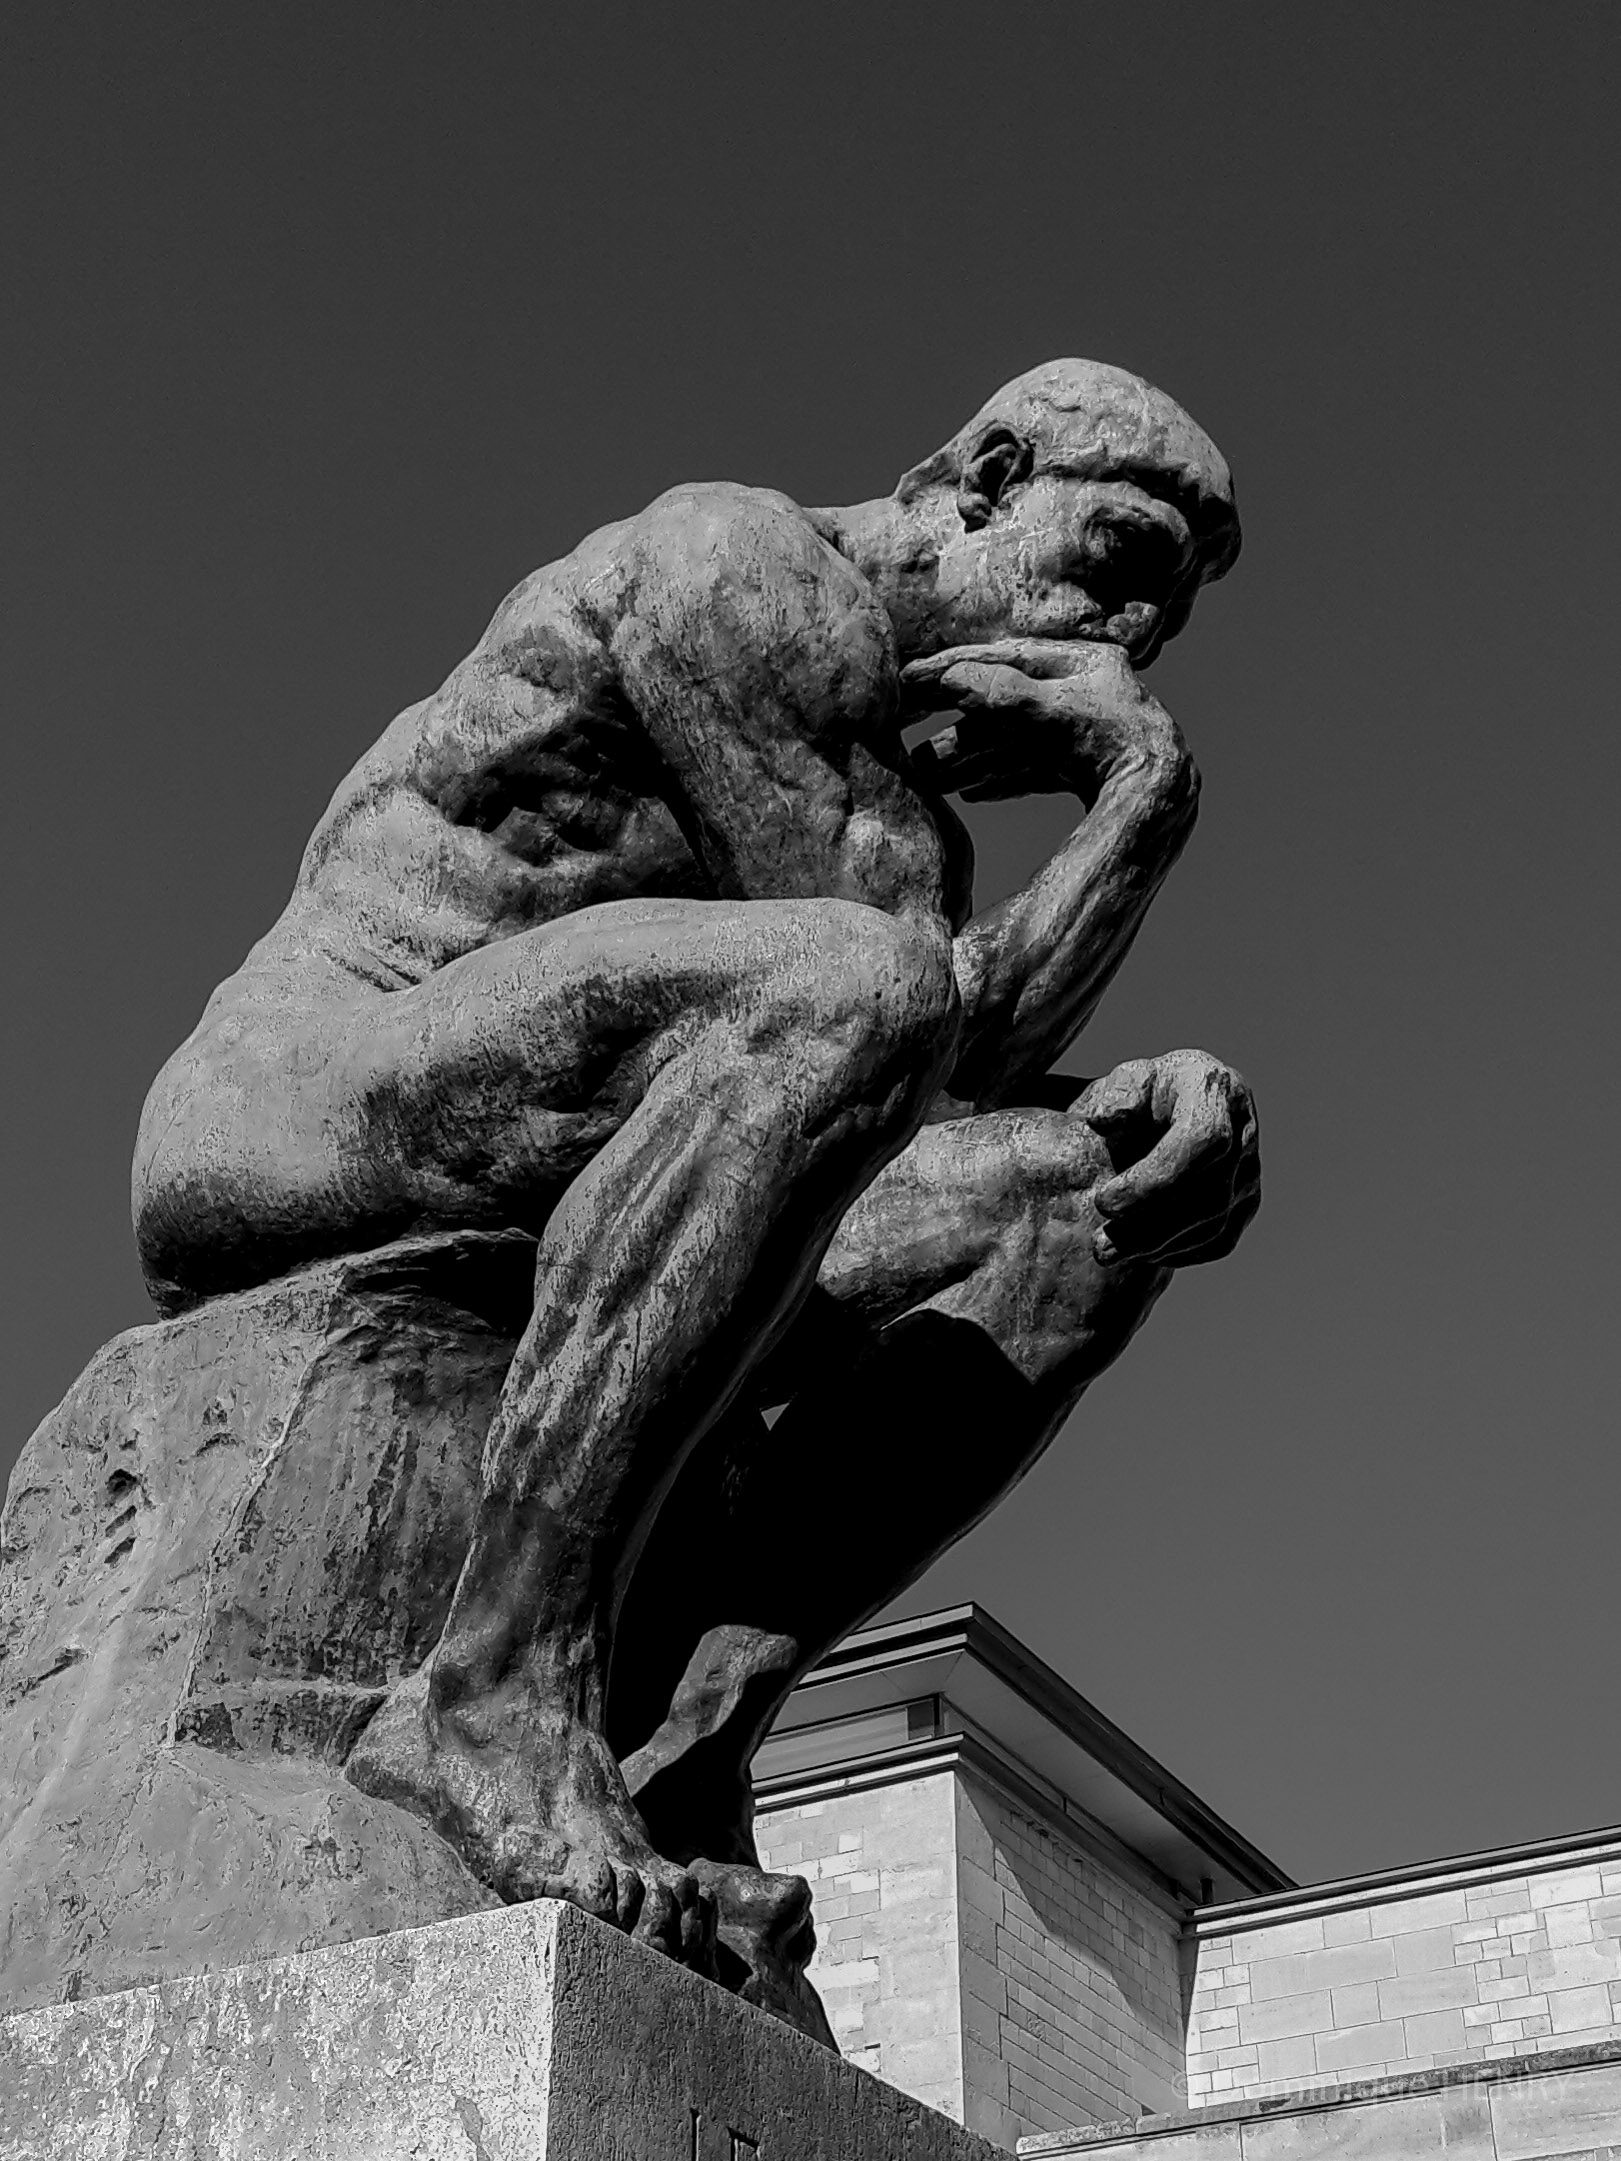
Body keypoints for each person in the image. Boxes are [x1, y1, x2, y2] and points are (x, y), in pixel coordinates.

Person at [132, 360, 1260, 2017]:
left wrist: (1136, 1104)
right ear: (980, 478)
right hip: (302, 1108)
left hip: (585, 1140)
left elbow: (942, 1073)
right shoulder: (745, 569)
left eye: (1157, 614)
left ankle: (669, 1750)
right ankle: (494, 1693)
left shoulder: (893, 816)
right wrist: (1139, 804)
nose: (1123, 637)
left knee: (1081, 1196)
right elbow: (921, 1013)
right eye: (1107, 565)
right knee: (862, 987)